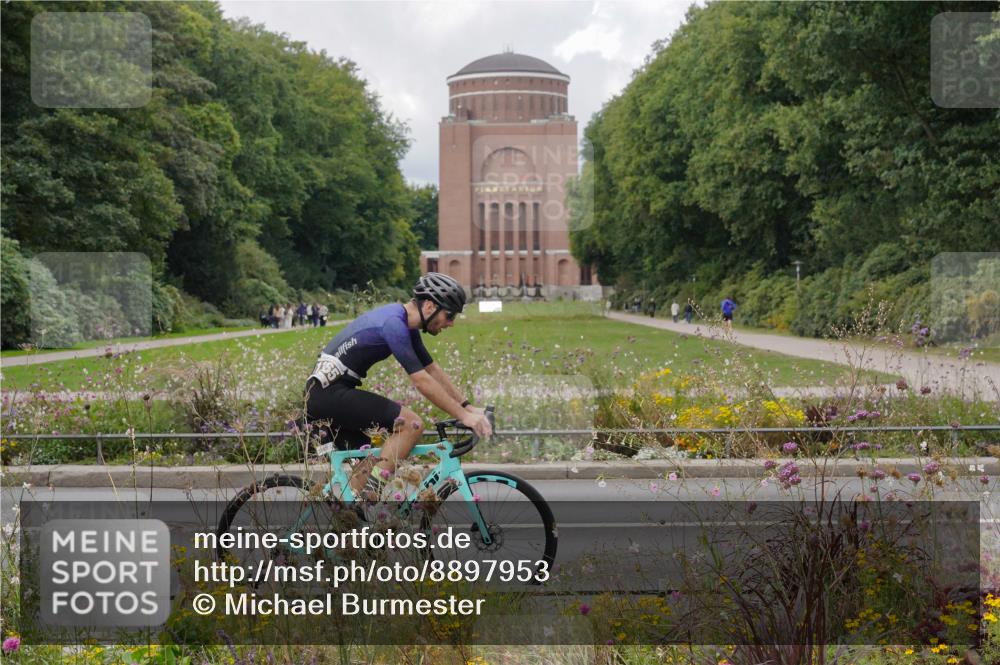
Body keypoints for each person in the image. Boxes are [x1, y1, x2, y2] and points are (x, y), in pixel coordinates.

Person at [303, 272, 492, 503]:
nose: (451, 323)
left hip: (326, 394)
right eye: (450, 315)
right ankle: (372, 499)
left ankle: (349, 521)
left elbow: (431, 369)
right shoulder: (394, 325)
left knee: (368, 460)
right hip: (328, 395)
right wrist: (463, 416)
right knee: (411, 425)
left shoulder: (404, 324)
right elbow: (421, 381)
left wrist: (468, 408)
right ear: (431, 306)